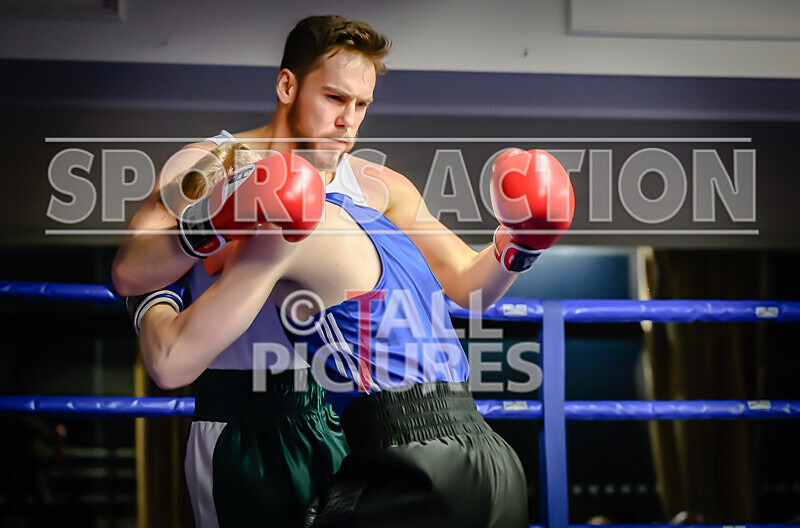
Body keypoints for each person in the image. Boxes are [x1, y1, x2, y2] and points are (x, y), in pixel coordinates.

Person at [115, 15, 391, 528]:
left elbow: (449, 282)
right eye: (335, 98)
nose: (348, 120)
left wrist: (518, 246)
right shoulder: (214, 162)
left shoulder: (369, 185)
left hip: (339, 410)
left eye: (362, 104)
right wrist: (220, 217)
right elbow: (130, 271)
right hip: (240, 419)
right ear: (287, 85)